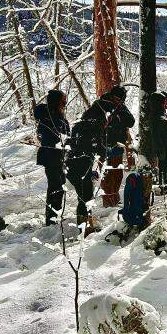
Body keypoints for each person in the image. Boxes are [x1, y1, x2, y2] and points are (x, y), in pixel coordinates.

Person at [66, 102, 108, 234]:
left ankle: (86, 224)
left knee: (84, 197)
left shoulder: (78, 126)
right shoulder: (93, 129)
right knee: (86, 197)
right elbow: (99, 149)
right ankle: (85, 228)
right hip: (81, 165)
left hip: (72, 164)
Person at [33, 89, 70, 226]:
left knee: (58, 186)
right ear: (56, 102)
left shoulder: (57, 116)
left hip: (59, 157)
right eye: (63, 101)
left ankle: (55, 216)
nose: (64, 104)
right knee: (55, 188)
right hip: (51, 157)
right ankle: (52, 219)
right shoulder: (48, 117)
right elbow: (52, 137)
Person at [101, 85, 135, 207]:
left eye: (122, 100)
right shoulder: (101, 105)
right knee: (108, 175)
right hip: (105, 145)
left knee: (118, 174)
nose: (120, 101)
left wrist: (120, 109)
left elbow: (131, 122)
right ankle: (108, 201)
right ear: (112, 96)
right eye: (118, 99)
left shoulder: (120, 106)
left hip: (118, 143)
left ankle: (114, 198)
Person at [150, 91, 167, 192]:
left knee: (164, 167)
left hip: (162, 147)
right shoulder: (159, 118)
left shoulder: (156, 115)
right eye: (164, 102)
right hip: (164, 148)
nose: (165, 104)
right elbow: (163, 135)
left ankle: (164, 185)